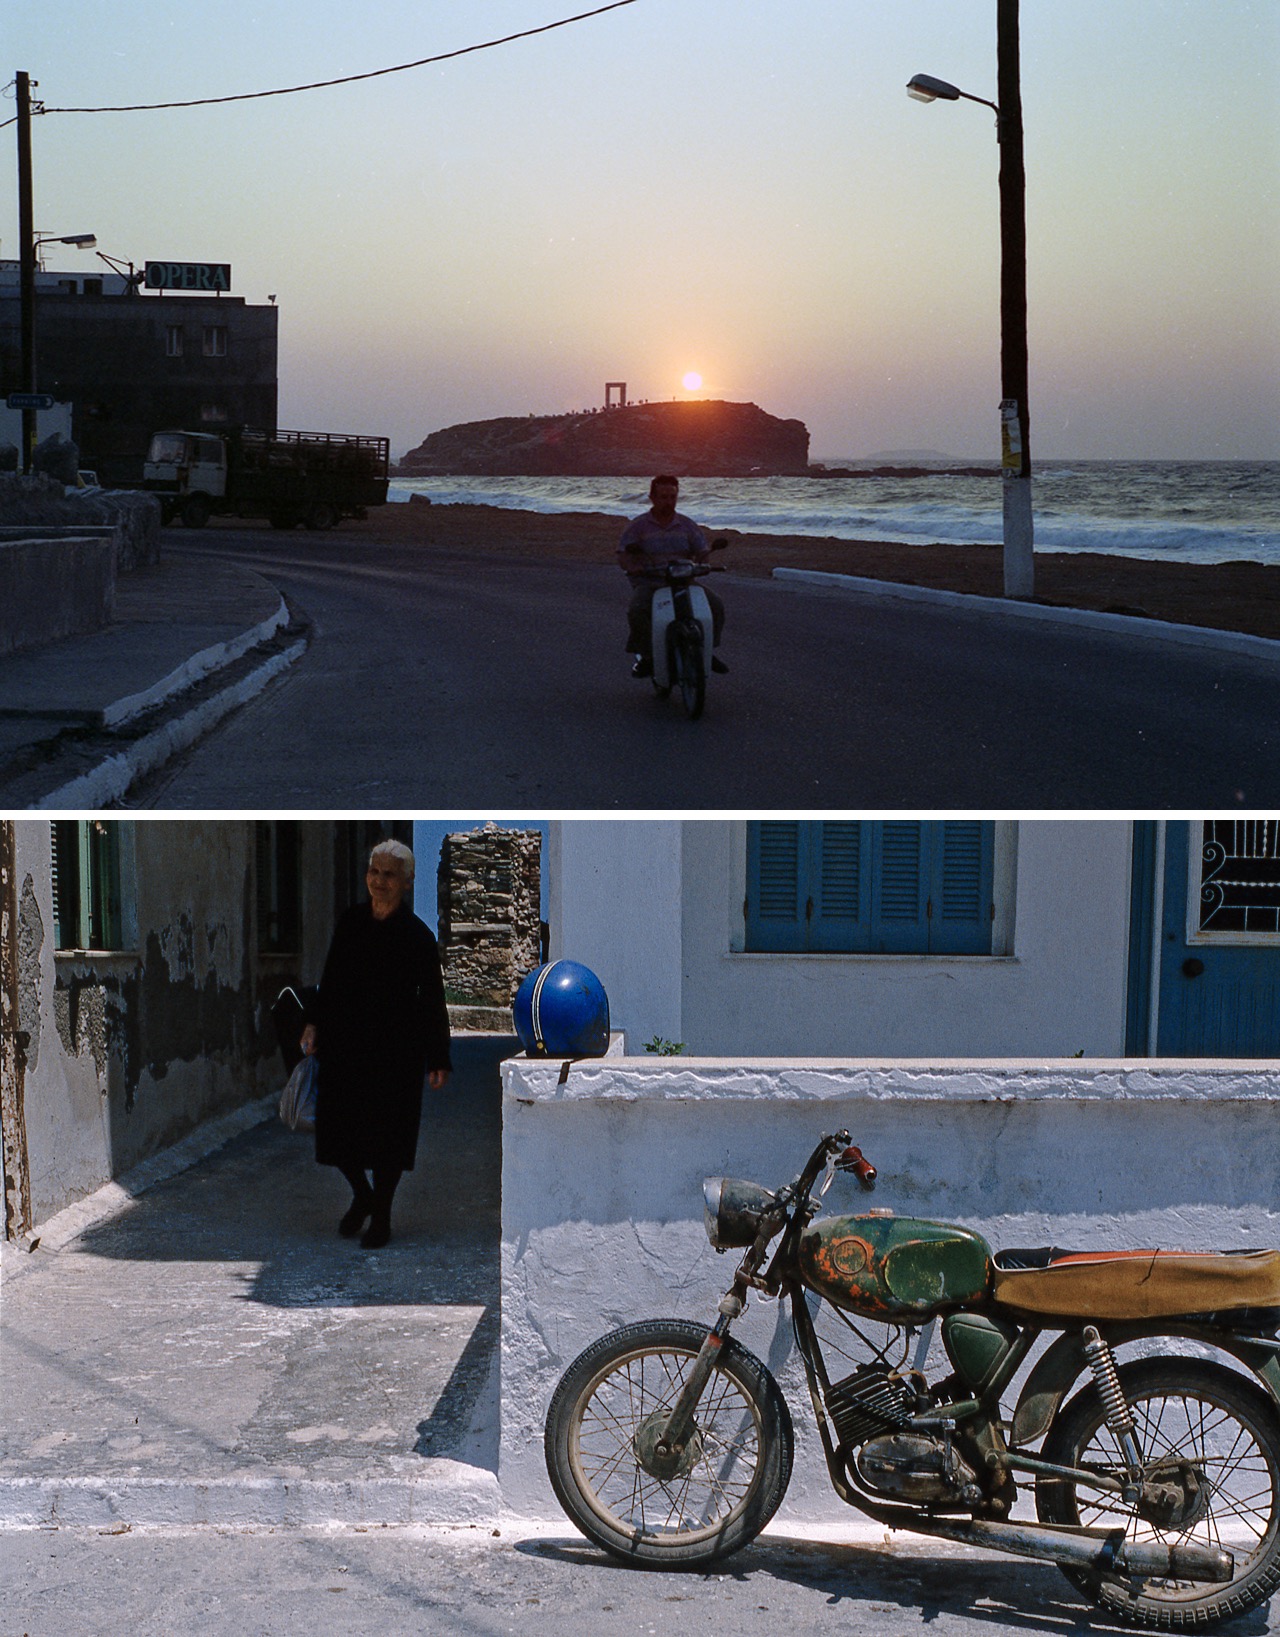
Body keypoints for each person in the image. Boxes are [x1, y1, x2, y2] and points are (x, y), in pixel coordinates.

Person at [300, 840, 451, 1249]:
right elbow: (329, 978)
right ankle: (363, 1196)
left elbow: (432, 999)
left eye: (389, 874)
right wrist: (313, 1023)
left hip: (397, 1051)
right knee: (335, 1129)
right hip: (344, 1044)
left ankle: (380, 1213)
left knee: (389, 1136)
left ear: (407, 881)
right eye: (374, 872)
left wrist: (439, 1056)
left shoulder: (417, 937)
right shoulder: (350, 922)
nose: (379, 881)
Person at [618, 474, 727, 677]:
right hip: (651, 582)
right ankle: (647, 658)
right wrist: (632, 567)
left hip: (685, 581)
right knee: (637, 610)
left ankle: (707, 652)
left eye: (672, 497)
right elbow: (623, 554)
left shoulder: (687, 525)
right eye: (663, 497)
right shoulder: (638, 526)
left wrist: (704, 562)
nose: (668, 502)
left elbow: (701, 551)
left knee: (716, 605)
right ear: (652, 498)